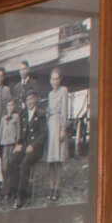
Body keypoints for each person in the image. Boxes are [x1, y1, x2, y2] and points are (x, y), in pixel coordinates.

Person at [45, 67, 72, 202]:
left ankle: (57, 188)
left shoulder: (64, 91)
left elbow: (64, 111)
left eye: (57, 79)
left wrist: (63, 129)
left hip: (58, 126)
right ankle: (51, 187)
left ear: (60, 79)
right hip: (50, 126)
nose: (55, 81)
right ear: (50, 81)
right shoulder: (50, 94)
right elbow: (50, 110)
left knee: (58, 160)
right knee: (50, 161)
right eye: (53, 79)